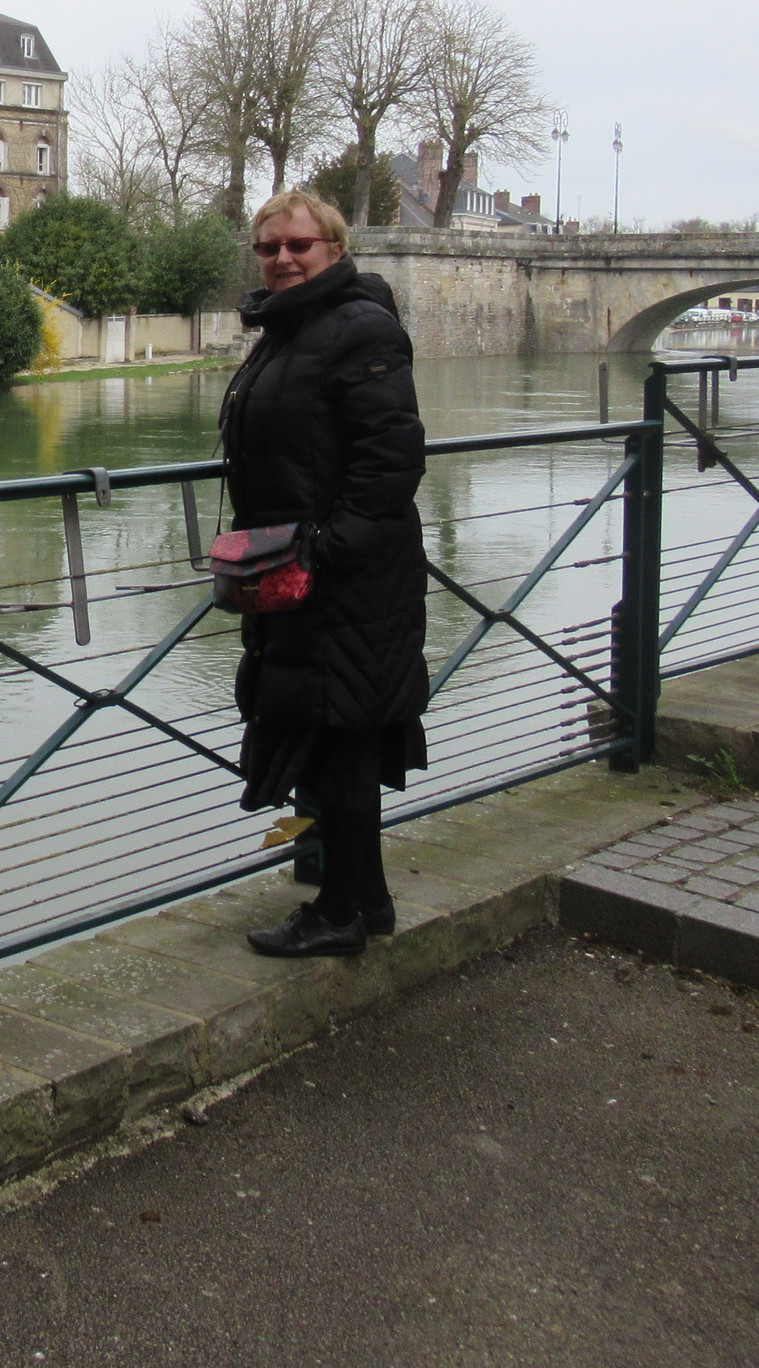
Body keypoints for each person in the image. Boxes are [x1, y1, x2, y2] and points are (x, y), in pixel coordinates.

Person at [217, 190, 429, 958]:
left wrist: (323, 551)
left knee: (341, 742)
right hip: (300, 574)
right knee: (339, 740)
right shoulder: (288, 330)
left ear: (335, 249)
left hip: (345, 581)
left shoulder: (358, 327)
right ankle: (367, 901)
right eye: (269, 247)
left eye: (299, 245)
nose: (282, 258)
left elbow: (390, 463)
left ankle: (338, 914)